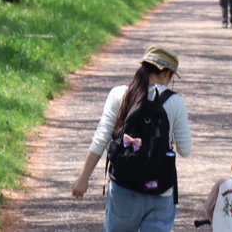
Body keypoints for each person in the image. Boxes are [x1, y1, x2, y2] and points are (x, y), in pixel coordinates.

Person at [72, 45, 193, 232]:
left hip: (123, 187)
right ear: (168, 73)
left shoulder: (120, 94)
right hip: (160, 189)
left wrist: (83, 177)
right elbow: (186, 150)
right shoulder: (175, 102)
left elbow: (101, 137)